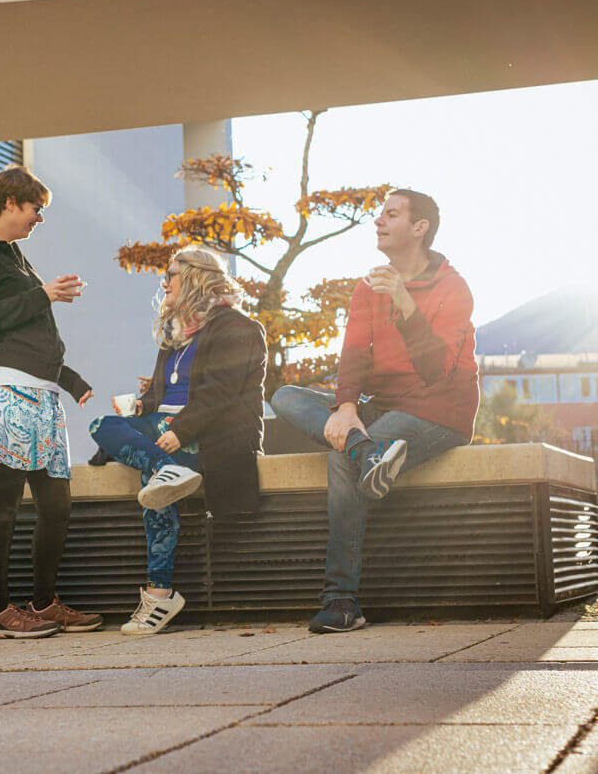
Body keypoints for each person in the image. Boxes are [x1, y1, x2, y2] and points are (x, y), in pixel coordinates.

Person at [270, 188, 478, 634]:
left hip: (438, 411)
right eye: (379, 214)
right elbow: (354, 356)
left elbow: (437, 370)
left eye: (391, 214)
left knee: (338, 460)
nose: (378, 221)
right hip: (378, 409)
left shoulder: (452, 288)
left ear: (419, 227)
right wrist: (346, 408)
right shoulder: (367, 287)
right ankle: (368, 451)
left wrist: (404, 302)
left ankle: (341, 601)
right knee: (286, 396)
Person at [0, 164, 103, 639]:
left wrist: (71, 379)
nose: (40, 218)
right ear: (11, 203)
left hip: (41, 392)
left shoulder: (15, 255)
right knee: (6, 501)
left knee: (56, 503)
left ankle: (43, 603)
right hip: (2, 390)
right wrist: (43, 295)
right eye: (36, 209)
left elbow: (29, 329)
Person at [90, 246, 266, 635]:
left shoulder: (238, 328)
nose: (164, 282)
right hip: (166, 431)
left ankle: (159, 593)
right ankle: (165, 470)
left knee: (153, 485)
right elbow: (161, 399)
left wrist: (178, 432)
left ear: (196, 278)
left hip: (209, 436)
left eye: (170, 274)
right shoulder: (174, 336)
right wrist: (143, 406)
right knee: (103, 425)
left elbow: (219, 396)